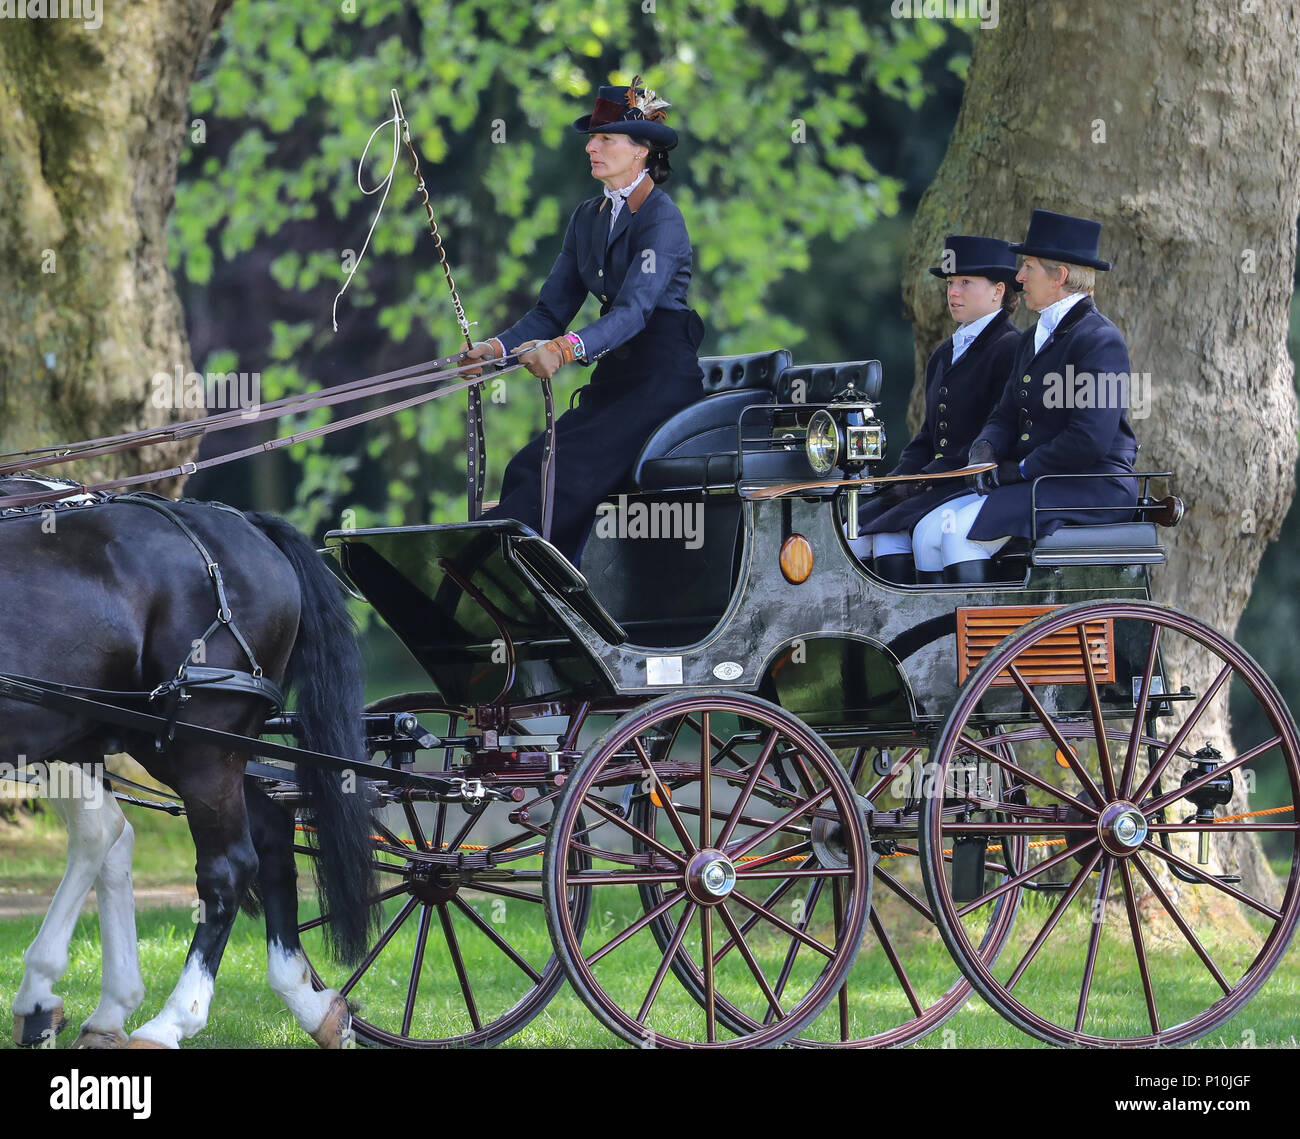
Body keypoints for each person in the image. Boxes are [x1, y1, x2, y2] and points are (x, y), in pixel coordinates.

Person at [463, 77, 704, 562]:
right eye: (592, 137)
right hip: (616, 381)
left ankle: (510, 574)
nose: (591, 147)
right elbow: (551, 311)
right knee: (525, 467)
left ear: (641, 151)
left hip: (660, 386)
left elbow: (635, 311)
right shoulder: (586, 218)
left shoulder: (663, 220)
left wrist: (564, 350)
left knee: (564, 472)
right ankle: (520, 585)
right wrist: (496, 350)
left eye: (605, 138)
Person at [910, 208, 1138, 583]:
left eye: (1028, 267)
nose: (1019, 277)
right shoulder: (1032, 338)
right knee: (926, 534)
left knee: (956, 535)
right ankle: (943, 643)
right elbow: (1005, 414)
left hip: (1091, 484)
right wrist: (985, 447)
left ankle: (985, 642)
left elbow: (1089, 439)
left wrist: (1020, 470)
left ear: (1060, 276)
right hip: (1040, 482)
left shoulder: (1101, 340)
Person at [851, 234, 1022, 584]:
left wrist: (919, 484)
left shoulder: (1011, 348)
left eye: (965, 283)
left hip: (968, 483)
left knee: (887, 533)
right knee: (849, 530)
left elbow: (993, 433)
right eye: (950, 283)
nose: (953, 293)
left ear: (998, 291)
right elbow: (929, 435)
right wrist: (900, 476)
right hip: (934, 480)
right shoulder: (944, 353)